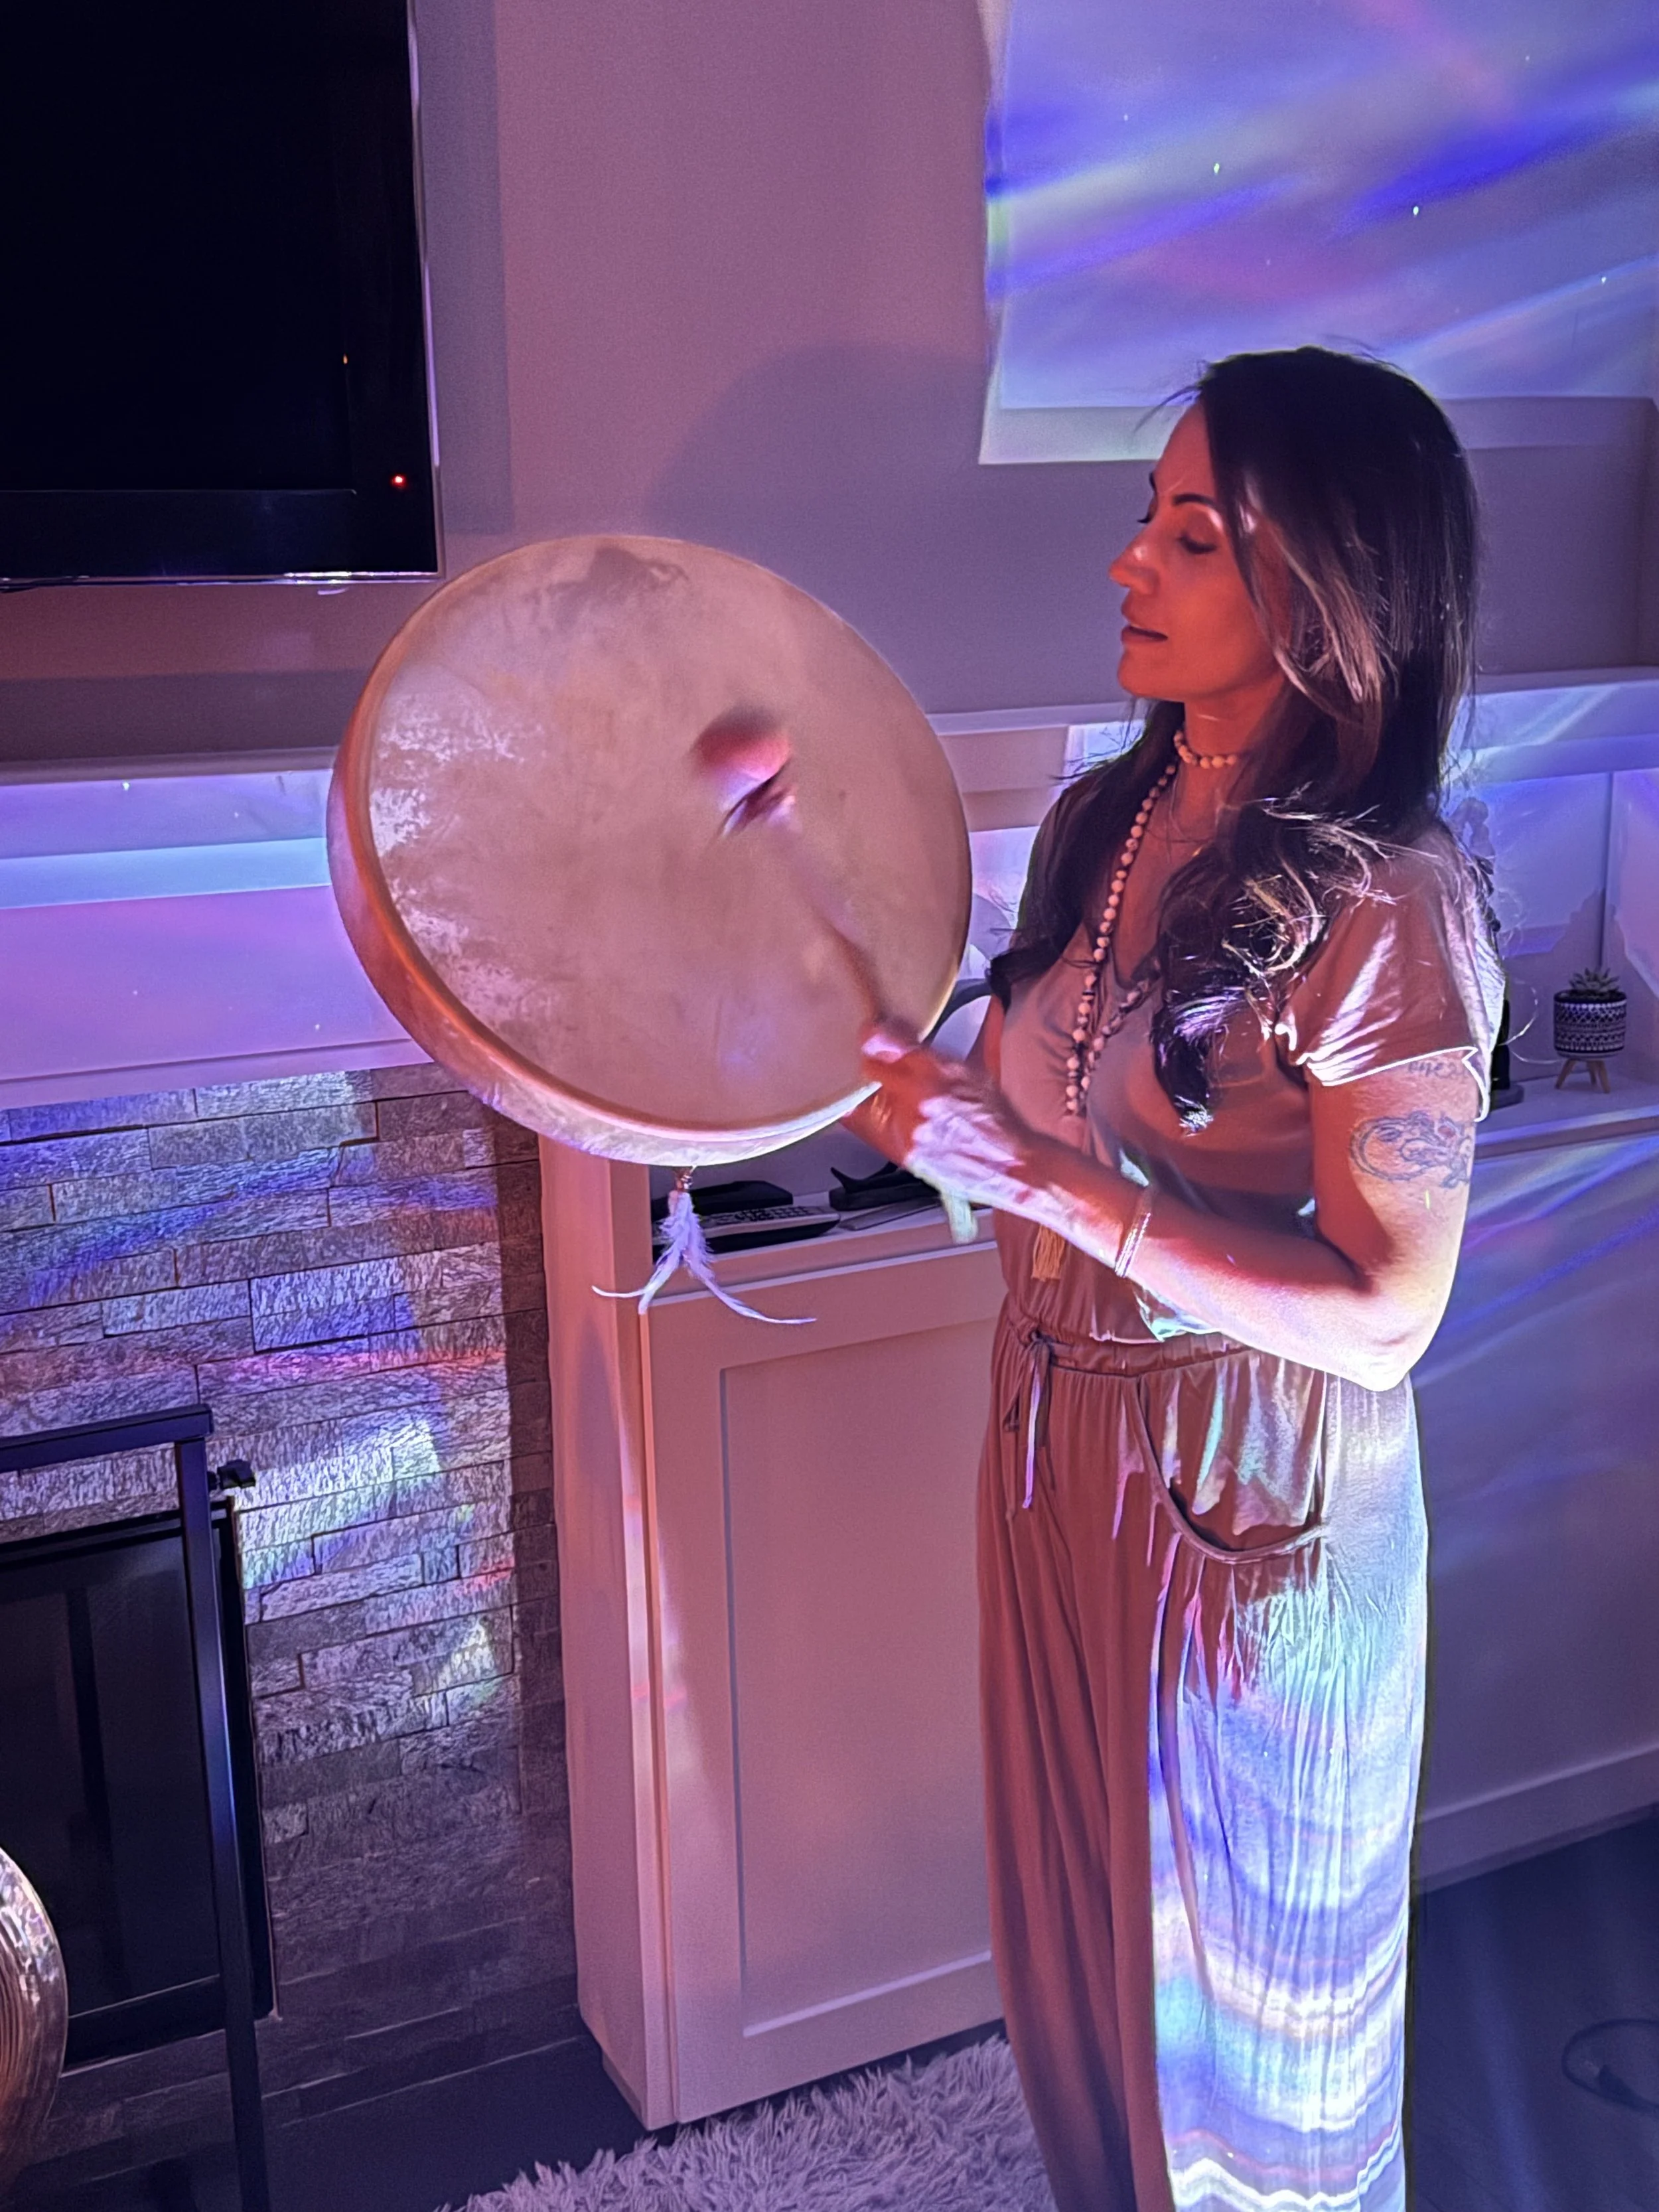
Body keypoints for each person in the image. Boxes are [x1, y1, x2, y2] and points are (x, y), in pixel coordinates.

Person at [849, 346, 1503, 2212]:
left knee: (1247, 2036)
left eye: (1190, 532)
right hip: (1052, 1452)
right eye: (1144, 518)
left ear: (1330, 584)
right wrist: (924, 1104)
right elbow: (1035, 1116)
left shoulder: (1392, 899)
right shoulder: (1096, 821)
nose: (1128, 562)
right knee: (1075, 1976)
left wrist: (1048, 1180)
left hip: (1255, 1503)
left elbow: (1388, 1307)